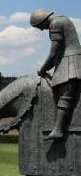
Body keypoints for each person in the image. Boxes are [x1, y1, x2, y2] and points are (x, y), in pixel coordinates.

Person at [30, 8, 81, 139]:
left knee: (65, 95)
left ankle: (58, 129)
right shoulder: (63, 19)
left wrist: (42, 69)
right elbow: (57, 55)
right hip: (68, 59)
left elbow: (53, 53)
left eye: (39, 26)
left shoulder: (55, 24)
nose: (41, 29)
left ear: (43, 20)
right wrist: (47, 68)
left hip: (70, 62)